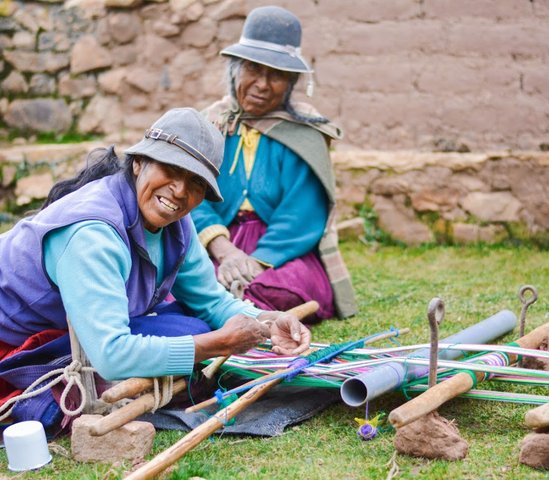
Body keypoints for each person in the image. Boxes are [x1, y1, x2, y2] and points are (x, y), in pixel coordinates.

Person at [0, 108, 310, 429]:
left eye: (196, 182)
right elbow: (112, 356)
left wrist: (266, 321)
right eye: (171, 169)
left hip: (74, 328)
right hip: (15, 341)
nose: (179, 191)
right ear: (138, 163)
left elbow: (211, 301)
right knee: (193, 337)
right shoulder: (92, 234)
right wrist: (221, 343)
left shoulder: (177, 224)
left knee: (187, 329)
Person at [193, 5, 357, 321]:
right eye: (253, 69)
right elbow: (191, 197)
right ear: (234, 70)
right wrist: (224, 251)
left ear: (291, 82)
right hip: (216, 242)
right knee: (188, 282)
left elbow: (301, 213)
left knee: (282, 289)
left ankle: (234, 310)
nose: (263, 84)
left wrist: (256, 263)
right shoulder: (209, 125)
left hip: (279, 252)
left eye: (277, 75)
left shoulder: (304, 133)